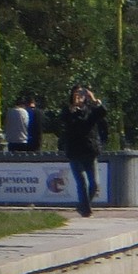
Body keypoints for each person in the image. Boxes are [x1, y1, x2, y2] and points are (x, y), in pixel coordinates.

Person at [60, 85, 108, 218]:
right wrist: (72, 110)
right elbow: (66, 121)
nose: (79, 96)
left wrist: (94, 100)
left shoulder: (91, 110)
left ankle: (83, 205)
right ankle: (86, 210)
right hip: (75, 151)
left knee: (94, 184)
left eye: (82, 94)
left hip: (90, 150)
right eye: (76, 94)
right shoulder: (68, 111)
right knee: (82, 182)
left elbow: (102, 113)